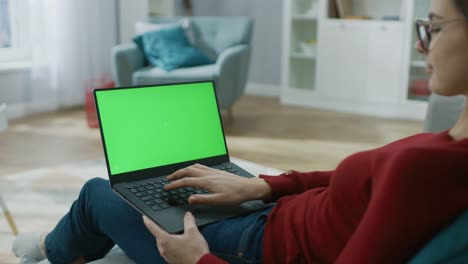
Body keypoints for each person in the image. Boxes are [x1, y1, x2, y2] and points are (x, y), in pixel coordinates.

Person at [12, 0, 468, 263]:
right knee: (171, 187)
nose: (419, 42)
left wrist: (198, 261)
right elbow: (363, 185)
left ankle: (51, 247)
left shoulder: (431, 169)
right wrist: (263, 185)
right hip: (269, 214)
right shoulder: (447, 147)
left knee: (98, 193)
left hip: (250, 246)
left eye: (434, 27)